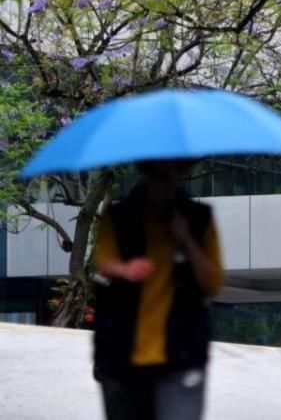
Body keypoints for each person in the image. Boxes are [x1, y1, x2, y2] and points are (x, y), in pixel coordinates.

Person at [92, 159, 224, 420]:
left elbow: (213, 282)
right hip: (122, 354)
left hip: (182, 355)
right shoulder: (118, 218)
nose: (163, 184)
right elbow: (103, 262)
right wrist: (125, 269)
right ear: (144, 173)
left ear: (180, 174)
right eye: (156, 175)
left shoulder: (199, 220)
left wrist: (186, 241)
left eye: (170, 175)